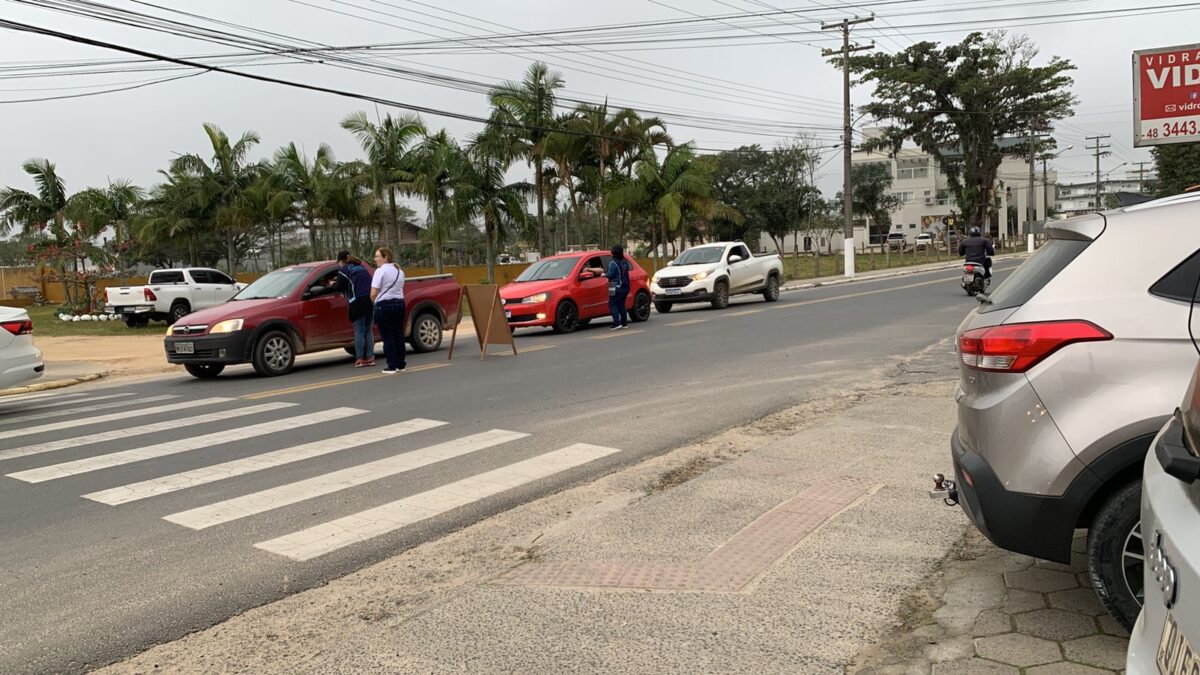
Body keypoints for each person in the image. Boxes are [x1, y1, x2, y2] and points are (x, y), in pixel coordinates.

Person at [335, 251, 375, 368]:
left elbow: (338, 287)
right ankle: (370, 357)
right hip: (370, 300)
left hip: (357, 302)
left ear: (342, 261)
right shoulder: (361, 267)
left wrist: (331, 284)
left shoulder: (345, 270)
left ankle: (359, 359)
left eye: (339, 262)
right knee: (368, 330)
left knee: (359, 331)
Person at [370, 247, 406, 374]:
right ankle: (401, 364)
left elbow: (374, 291)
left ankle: (391, 365)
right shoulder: (399, 271)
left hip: (384, 305)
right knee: (398, 334)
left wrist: (373, 301)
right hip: (399, 304)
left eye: (377, 256)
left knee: (388, 336)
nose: (375, 259)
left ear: (386, 258)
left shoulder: (380, 271)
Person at [606, 245, 632, 330]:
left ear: (613, 253)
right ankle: (624, 323)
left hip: (613, 285)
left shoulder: (613, 263)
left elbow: (610, 275)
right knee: (621, 304)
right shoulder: (624, 261)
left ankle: (616, 323)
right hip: (625, 286)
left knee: (612, 303)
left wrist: (603, 274)